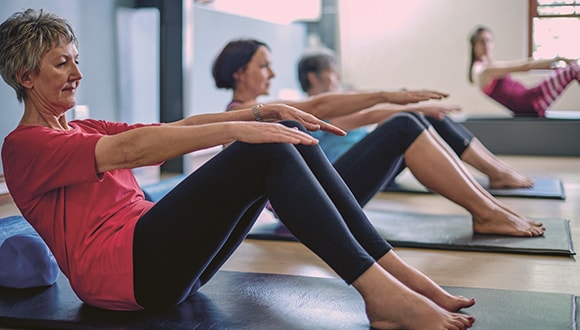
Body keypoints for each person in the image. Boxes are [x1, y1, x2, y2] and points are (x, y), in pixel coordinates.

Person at [0, 9, 477, 329]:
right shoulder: (25, 146)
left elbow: (177, 125)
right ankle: (379, 294)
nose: (77, 73)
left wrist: (259, 114)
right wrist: (245, 130)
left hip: (155, 261)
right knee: (263, 149)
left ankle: (391, 273)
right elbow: (131, 149)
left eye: (76, 61)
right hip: (122, 275)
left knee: (283, 131)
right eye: (62, 64)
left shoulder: (81, 128)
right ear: (25, 77)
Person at [212, 38, 545, 237]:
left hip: (318, 192)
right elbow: (322, 105)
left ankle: (490, 206)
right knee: (404, 124)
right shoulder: (239, 117)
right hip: (307, 207)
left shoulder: (260, 109)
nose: (271, 73)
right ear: (240, 72)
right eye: (263, 66)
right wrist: (389, 96)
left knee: (410, 120)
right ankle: (487, 212)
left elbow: (336, 109)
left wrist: (398, 100)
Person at [298, 50, 533, 189]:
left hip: (369, 161)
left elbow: (369, 107)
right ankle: (496, 174)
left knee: (430, 117)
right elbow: (366, 115)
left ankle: (498, 169)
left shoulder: (338, 100)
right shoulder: (308, 112)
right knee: (418, 118)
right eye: (332, 72)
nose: (337, 77)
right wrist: (416, 109)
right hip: (354, 173)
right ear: (312, 77)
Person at [468, 25, 579, 117]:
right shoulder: (482, 70)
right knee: (574, 69)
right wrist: (558, 59)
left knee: (573, 69)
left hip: (530, 99)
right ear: (474, 46)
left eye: (489, 40)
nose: (487, 45)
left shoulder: (488, 67)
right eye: (482, 41)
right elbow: (525, 66)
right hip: (530, 102)